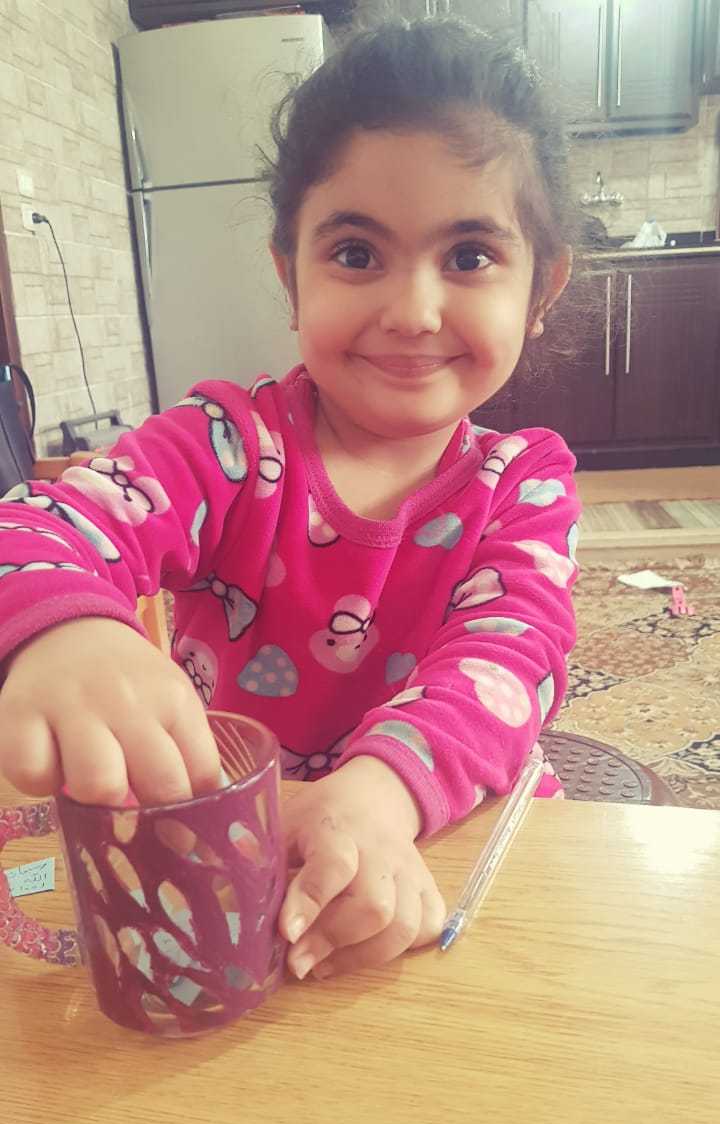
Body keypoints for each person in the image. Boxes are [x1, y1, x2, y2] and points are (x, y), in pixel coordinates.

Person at [0, 19, 580, 983]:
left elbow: (507, 660)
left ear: (541, 289)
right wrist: (69, 632)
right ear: (290, 273)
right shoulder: (221, 448)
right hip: (241, 866)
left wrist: (376, 798)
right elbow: (35, 527)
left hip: (446, 853)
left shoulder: (526, 483)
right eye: (356, 253)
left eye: (470, 256)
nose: (412, 311)